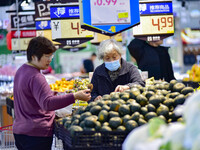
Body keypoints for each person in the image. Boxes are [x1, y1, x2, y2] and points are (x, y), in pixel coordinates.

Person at [13, 36, 91, 150]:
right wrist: (75, 96)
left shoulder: (21, 71)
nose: (50, 59)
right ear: (34, 57)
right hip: (36, 134)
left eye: (51, 56)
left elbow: (29, 97)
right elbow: (47, 104)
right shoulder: (36, 77)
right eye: (47, 56)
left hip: (20, 131)